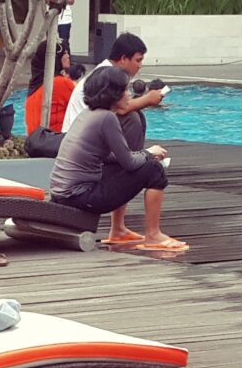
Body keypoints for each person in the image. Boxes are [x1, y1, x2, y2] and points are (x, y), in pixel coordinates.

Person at [53, 36, 183, 252]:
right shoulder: (107, 118)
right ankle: (153, 235)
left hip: (64, 194)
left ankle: (119, 230)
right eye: (124, 91)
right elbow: (130, 163)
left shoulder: (90, 113)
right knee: (154, 171)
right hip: (80, 197)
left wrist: (142, 155)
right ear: (113, 94)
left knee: (142, 158)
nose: (128, 95)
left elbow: (112, 157)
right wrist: (149, 153)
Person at [24, 43, 79, 158]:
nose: (67, 56)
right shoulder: (61, 83)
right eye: (63, 53)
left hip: (35, 144)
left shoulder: (34, 87)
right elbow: (82, 105)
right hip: (56, 145)